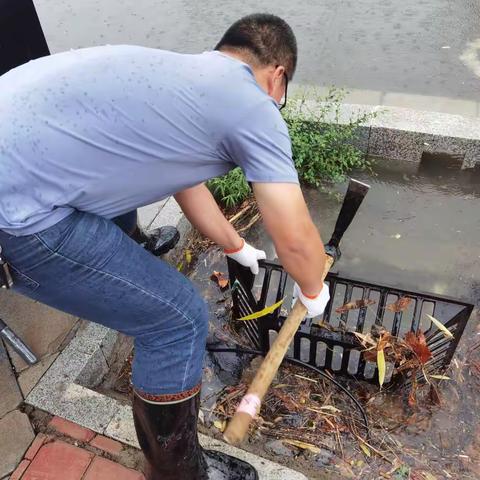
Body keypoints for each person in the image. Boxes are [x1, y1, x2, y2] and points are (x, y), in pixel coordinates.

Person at [0, 13, 330, 480]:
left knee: (116, 194)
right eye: (283, 91)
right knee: (177, 320)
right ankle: (180, 473)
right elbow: (294, 237)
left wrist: (236, 246)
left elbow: (184, 181)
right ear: (278, 76)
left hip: (15, 149)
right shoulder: (252, 105)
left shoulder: (186, 78)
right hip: (18, 216)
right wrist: (314, 288)